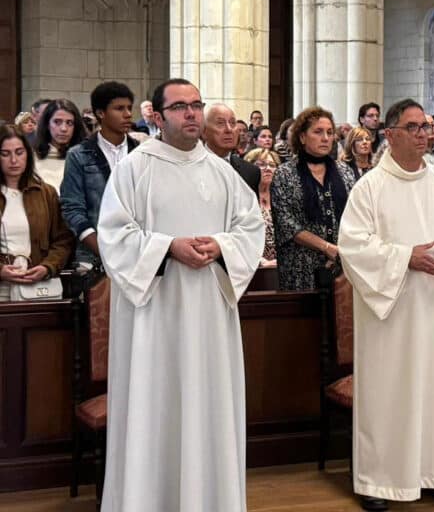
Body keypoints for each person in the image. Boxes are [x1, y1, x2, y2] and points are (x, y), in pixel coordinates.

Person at [97, 78, 265, 512]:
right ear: (157, 115)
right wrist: (168, 247)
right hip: (154, 315)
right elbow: (114, 235)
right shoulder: (135, 168)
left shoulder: (222, 171)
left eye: (196, 105)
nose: (191, 114)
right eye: (180, 107)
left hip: (208, 312)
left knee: (208, 406)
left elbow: (250, 228)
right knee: (155, 405)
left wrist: (221, 246)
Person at [338, 98, 434, 511]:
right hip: (391, 312)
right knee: (390, 391)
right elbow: (353, 247)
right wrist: (406, 257)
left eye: (426, 127)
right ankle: (380, 480)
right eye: (414, 127)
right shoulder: (370, 188)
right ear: (391, 135)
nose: (425, 134)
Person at [270, 106, 355, 291]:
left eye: (330, 132)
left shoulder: (345, 172)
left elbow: (357, 217)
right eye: (318, 132)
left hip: (342, 265)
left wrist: (340, 250)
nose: (325, 138)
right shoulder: (285, 174)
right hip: (301, 267)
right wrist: (326, 247)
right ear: (302, 137)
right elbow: (286, 224)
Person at [60, 81, 139, 268]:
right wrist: (102, 249)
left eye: (129, 108)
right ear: (100, 113)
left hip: (136, 252)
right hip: (93, 255)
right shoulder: (79, 155)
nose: (128, 114)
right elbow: (72, 208)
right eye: (119, 108)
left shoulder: (141, 152)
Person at [0, 125, 74, 301]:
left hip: (38, 288)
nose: (13, 160)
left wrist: (48, 267)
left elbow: (63, 239)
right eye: (5, 154)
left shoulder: (46, 193)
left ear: (28, 154)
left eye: (19, 152)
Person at [201, 103, 262, 194]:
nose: (229, 129)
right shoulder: (190, 169)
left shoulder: (251, 172)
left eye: (233, 123)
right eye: (220, 123)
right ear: (204, 131)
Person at [35, 99, 87, 192]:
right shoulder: (32, 157)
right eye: (57, 122)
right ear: (47, 124)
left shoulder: (85, 157)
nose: (63, 129)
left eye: (69, 123)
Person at [244, 148, 279, 267]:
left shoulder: (282, 197)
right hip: (252, 266)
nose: (268, 169)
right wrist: (262, 262)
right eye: (262, 165)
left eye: (272, 165)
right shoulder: (244, 198)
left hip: (282, 266)